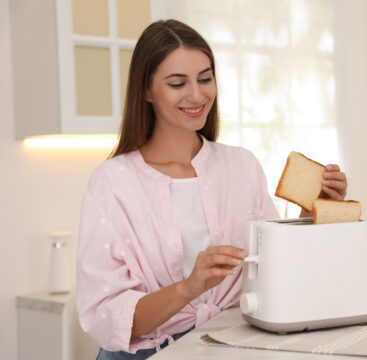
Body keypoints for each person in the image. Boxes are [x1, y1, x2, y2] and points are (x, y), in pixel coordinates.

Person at [76, 19, 347, 360]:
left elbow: (275, 270)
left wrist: (314, 212)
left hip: (233, 346)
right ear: (145, 91)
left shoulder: (241, 165)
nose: (197, 94)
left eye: (205, 78)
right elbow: (106, 317)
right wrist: (189, 288)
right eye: (178, 83)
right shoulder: (113, 183)